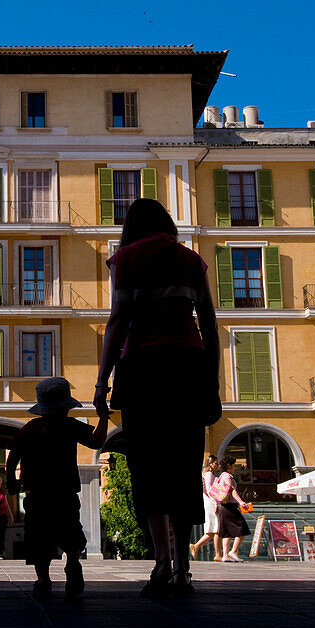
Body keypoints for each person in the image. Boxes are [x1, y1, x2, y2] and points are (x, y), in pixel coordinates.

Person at [94, 199, 221, 598]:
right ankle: (184, 568)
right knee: (184, 465)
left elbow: (117, 322)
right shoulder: (190, 259)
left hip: (143, 368)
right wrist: (211, 383)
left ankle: (162, 563)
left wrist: (102, 382)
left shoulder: (125, 259)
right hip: (187, 366)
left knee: (148, 466)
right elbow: (210, 326)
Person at [5, 376, 109, 600]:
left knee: (38, 540)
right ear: (66, 407)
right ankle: (72, 562)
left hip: (37, 494)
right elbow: (96, 442)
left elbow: (13, 456)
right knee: (72, 533)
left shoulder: (30, 428)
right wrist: (103, 419)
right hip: (65, 491)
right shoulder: (70, 425)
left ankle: (43, 581)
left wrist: (10, 481)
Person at [208, 457, 251, 562]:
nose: (234, 468)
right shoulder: (227, 476)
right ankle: (233, 551)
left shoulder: (221, 476)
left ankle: (225, 555)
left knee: (226, 531)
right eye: (233, 465)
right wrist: (241, 502)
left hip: (223, 506)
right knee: (243, 528)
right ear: (229, 466)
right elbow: (231, 490)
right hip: (229, 506)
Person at [189, 455, 222, 562]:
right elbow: (209, 490)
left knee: (213, 530)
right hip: (210, 502)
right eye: (215, 463)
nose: (217, 466)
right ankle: (217, 554)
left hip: (208, 502)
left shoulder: (207, 474)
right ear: (210, 464)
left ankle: (196, 546)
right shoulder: (209, 475)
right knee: (217, 529)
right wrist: (215, 504)